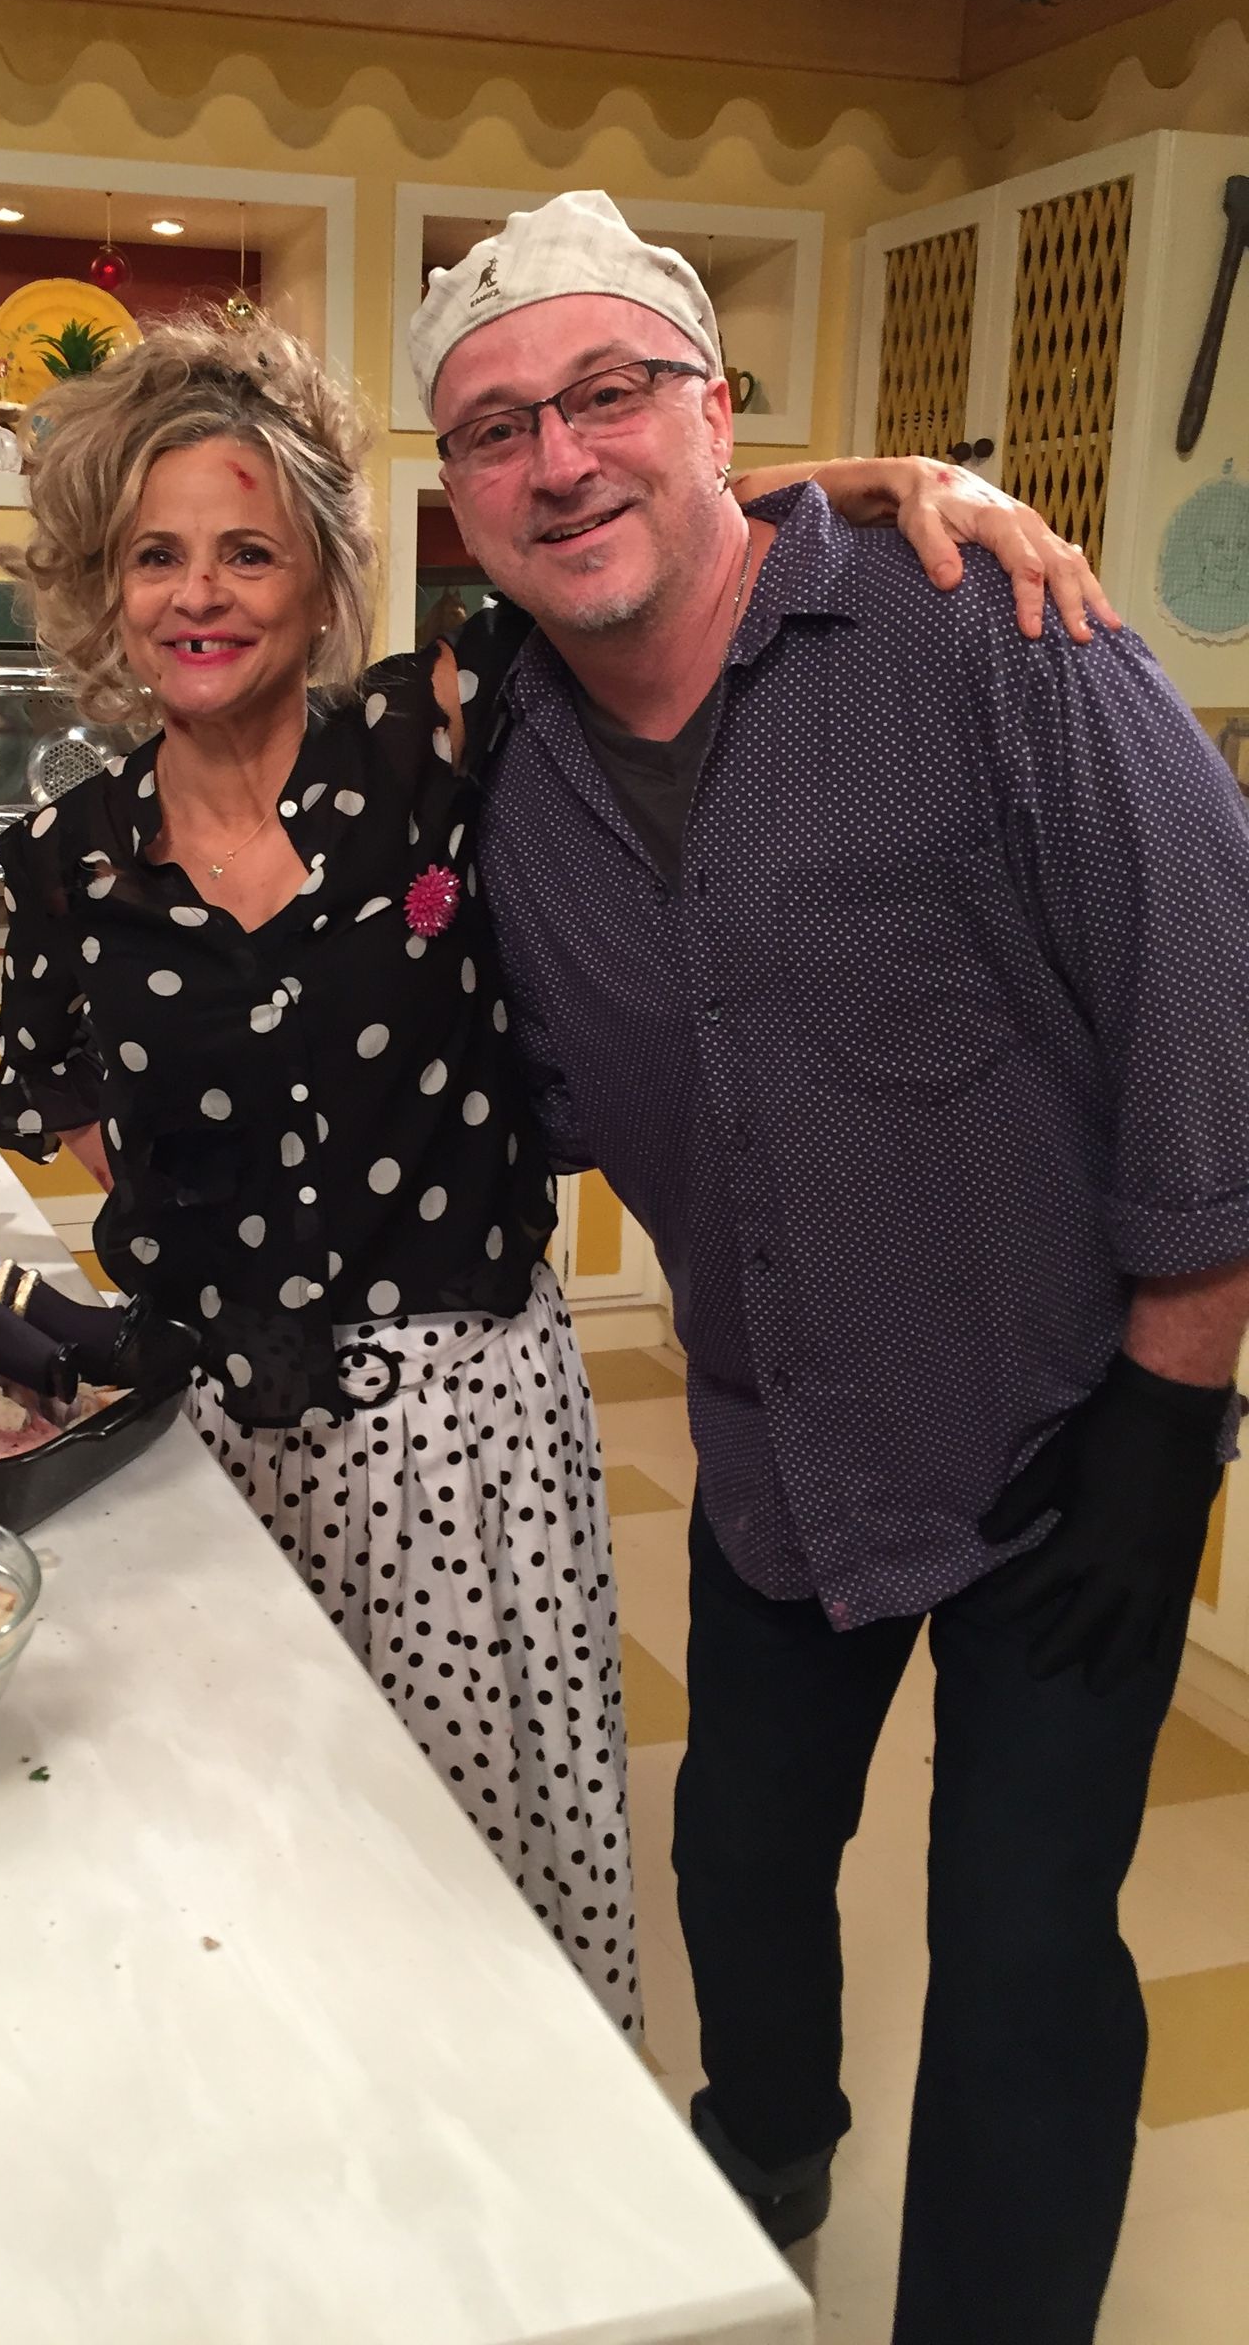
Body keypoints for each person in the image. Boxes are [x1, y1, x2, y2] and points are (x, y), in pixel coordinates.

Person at [0, 312, 1098, 2040]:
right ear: (101, 586)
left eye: (249, 551)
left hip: (465, 1438)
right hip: (213, 1447)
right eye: (156, 556)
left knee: (479, 1882)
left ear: (320, 576)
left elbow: (624, 539)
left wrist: (886, 483)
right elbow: (94, 1126)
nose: (201, 595)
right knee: (241, 1877)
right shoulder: (66, 861)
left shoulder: (431, 735)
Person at [411, 191, 1249, 2344]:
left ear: (715, 411)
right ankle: (768, 2148)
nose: (559, 458)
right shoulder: (496, 757)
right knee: (744, 1856)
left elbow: (1210, 993)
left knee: (1024, 1944)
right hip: (783, 1441)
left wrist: (1173, 1409)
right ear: (457, 496)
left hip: (1067, 1439)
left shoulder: (987, 630)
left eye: (608, 394)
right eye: (499, 428)